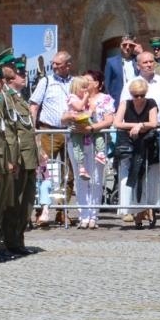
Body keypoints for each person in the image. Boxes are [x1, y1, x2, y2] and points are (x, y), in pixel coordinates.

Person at [63, 74, 114, 229]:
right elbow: (63, 117)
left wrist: (91, 128)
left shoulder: (104, 99)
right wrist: (69, 117)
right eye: (83, 84)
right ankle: (83, 215)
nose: (85, 86)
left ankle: (93, 215)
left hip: (95, 142)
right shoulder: (74, 98)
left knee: (96, 180)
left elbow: (109, 120)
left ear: (96, 83)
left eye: (88, 83)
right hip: (77, 141)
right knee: (81, 178)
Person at [112, 76, 160, 227]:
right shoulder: (125, 103)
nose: (139, 98)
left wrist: (140, 125)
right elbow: (117, 123)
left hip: (147, 143)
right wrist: (135, 126)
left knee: (146, 178)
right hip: (129, 144)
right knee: (131, 178)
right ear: (131, 94)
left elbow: (154, 122)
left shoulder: (151, 102)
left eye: (142, 95)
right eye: (136, 95)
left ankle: (145, 210)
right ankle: (135, 211)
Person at [102, 35, 137, 109]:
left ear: (134, 47)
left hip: (136, 99)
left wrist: (141, 52)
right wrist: (109, 104)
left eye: (130, 45)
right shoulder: (111, 62)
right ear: (120, 46)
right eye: (125, 45)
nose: (127, 47)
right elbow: (107, 84)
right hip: (117, 101)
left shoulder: (138, 60)